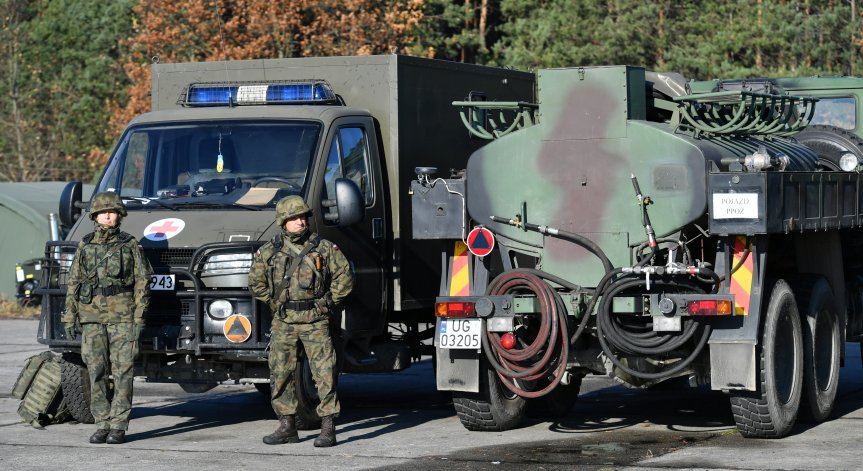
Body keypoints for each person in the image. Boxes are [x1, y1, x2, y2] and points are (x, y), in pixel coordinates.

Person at [248, 195, 353, 447]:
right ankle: (287, 426)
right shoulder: (269, 251)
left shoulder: (324, 248)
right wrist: (275, 304)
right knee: (280, 372)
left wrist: (327, 303)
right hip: (284, 321)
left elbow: (344, 278)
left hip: (315, 320)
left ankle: (328, 427)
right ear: (282, 222)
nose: (301, 221)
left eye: (303, 216)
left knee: (324, 373)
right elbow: (256, 283)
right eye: (294, 218)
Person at [62, 191, 152, 445]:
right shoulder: (85, 244)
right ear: (95, 216)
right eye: (103, 212)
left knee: (123, 370)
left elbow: (142, 283)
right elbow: (74, 282)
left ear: (119, 215)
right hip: (91, 316)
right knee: (96, 370)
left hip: (122, 316)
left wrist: (139, 318)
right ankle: (102, 422)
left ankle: (119, 425)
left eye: (112, 211)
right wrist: (69, 316)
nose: (108, 215)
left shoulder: (129, 244)